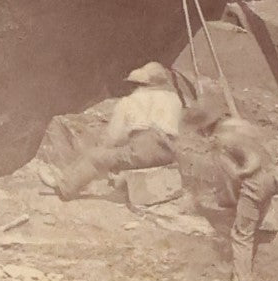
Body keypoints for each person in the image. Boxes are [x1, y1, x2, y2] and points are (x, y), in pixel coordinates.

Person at [36, 62, 185, 199]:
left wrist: (100, 155)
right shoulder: (174, 99)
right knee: (121, 156)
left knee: (94, 157)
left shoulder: (129, 101)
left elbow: (112, 138)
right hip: (168, 153)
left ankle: (65, 188)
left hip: (143, 150)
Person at [183, 98, 278, 281]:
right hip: (276, 175)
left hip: (256, 182)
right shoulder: (238, 124)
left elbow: (233, 177)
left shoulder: (219, 141)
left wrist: (229, 202)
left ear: (203, 128)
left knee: (241, 235)